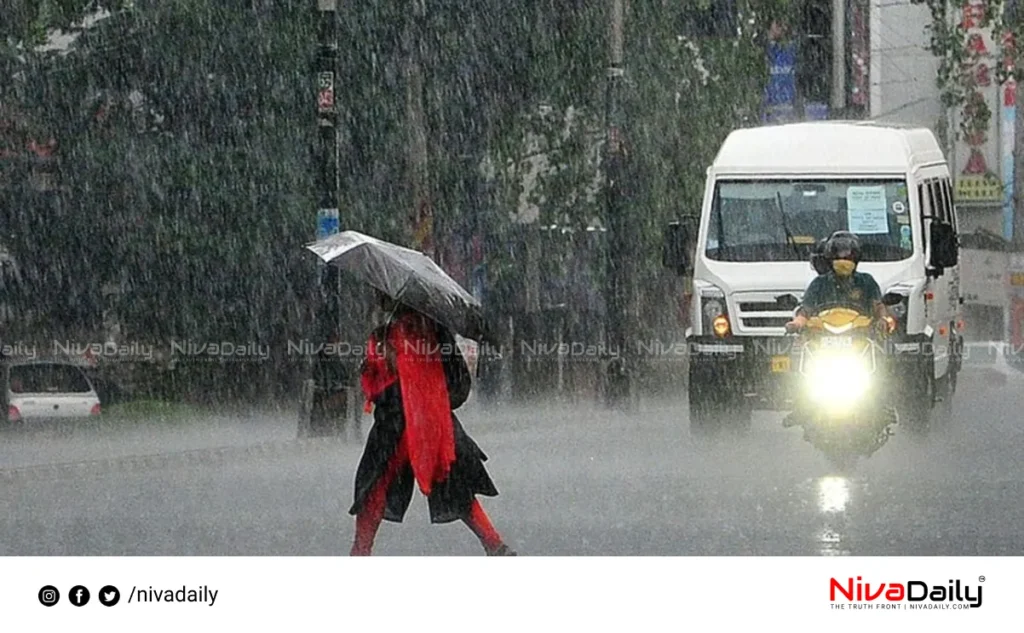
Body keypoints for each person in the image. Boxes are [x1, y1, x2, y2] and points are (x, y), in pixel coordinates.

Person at [348, 290, 516, 556]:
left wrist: (373, 366)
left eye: (380, 295)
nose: (376, 298)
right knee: (456, 487)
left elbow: (380, 388)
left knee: (374, 488)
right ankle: (494, 543)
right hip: (435, 424)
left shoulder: (385, 337)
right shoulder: (436, 332)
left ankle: (360, 551)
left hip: (396, 427)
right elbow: (455, 380)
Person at [785, 231, 892, 334]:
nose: (843, 261)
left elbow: (878, 306)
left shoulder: (866, 281)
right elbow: (806, 310)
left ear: (856, 258)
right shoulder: (819, 283)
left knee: (882, 349)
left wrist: (882, 319)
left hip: (860, 337)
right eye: (838, 257)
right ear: (829, 258)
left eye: (848, 257)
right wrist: (797, 323)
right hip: (822, 338)